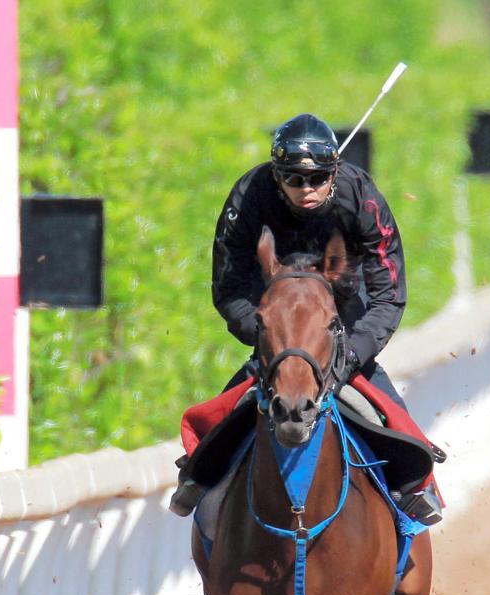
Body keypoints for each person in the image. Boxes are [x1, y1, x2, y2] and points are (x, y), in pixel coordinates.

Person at [170, 113, 443, 523]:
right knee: (225, 417)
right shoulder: (248, 196)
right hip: (278, 324)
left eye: (317, 179)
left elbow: (389, 294)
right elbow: (228, 288)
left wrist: (351, 353)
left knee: (395, 421)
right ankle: (199, 472)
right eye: (294, 180)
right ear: (276, 177)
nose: (307, 190)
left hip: (343, 321)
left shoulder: (361, 198)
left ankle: (415, 483)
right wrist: (271, 339)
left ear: (334, 173)